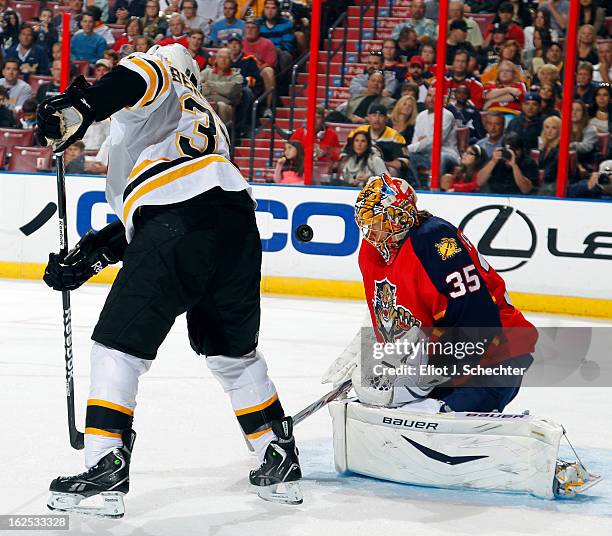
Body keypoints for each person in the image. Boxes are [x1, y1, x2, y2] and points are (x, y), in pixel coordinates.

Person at [37, 44, 303, 516]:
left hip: (180, 222)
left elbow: (134, 79)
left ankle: (104, 465)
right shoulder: (197, 117)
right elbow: (165, 203)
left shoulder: (162, 73)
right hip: (235, 225)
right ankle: (276, 456)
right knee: (231, 352)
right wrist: (96, 254)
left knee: (116, 345)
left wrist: (82, 106)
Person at [407, 87, 459, 183]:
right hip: (425, 154)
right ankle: (417, 186)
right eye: (429, 95)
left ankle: (433, 188)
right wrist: (421, 143)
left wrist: (415, 145)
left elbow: (435, 141)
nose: (431, 99)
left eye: (435, 96)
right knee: (407, 156)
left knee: (439, 156)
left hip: (447, 154)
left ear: (442, 99)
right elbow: (416, 141)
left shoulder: (446, 115)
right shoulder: (421, 116)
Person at [349, 103, 409, 178]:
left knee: (392, 171)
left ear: (386, 119)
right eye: (374, 115)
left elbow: (404, 162)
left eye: (381, 116)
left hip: (385, 172)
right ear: (368, 117)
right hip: (358, 168)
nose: (377, 119)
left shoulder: (396, 137)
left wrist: (382, 164)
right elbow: (346, 155)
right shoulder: (357, 132)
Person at [242, 18, 277, 117]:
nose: (250, 30)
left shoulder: (267, 43)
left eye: (253, 28)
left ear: (258, 30)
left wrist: (256, 70)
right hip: (243, 71)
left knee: (269, 71)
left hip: (260, 71)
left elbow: (270, 63)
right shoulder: (239, 43)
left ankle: (268, 107)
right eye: (247, 27)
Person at [200, 47, 243, 124]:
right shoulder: (206, 72)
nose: (223, 60)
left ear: (231, 60)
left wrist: (209, 84)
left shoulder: (237, 76)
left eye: (227, 58)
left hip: (227, 107)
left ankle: (222, 135)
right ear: (216, 59)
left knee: (221, 105)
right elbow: (197, 88)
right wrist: (220, 91)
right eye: (221, 57)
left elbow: (230, 91)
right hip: (205, 103)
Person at [257, 0, 295, 73]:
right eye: (267, 8)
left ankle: (284, 82)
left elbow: (288, 45)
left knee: (285, 55)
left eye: (273, 8)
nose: (270, 11)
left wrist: (274, 50)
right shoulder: (257, 23)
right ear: (263, 9)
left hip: (279, 52)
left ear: (278, 10)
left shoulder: (286, 23)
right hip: (261, 52)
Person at [570, 99, 599, 173]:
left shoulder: (590, 129)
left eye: (578, 110)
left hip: (585, 163)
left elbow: (586, 147)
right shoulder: (563, 127)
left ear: (583, 113)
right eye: (571, 109)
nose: (574, 112)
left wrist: (569, 145)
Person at [537, 115, 563, 194]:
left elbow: (550, 172)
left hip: (554, 184)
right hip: (542, 182)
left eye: (554, 128)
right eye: (547, 127)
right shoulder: (543, 147)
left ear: (559, 130)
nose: (549, 131)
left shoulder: (560, 148)